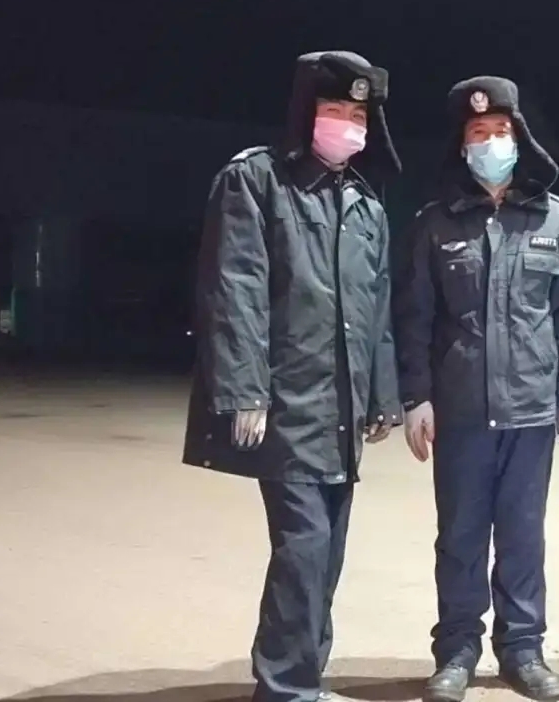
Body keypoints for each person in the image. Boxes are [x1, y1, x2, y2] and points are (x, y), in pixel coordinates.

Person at [181, 51, 402, 702]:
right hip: (286, 404)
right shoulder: (256, 181)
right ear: (306, 112)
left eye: (358, 113)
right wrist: (244, 388)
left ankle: (305, 675)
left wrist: (383, 396)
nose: (347, 123)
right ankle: (284, 686)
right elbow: (234, 288)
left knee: (326, 551)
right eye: (334, 109)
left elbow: (376, 310)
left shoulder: (365, 204)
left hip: (342, 411)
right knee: (304, 546)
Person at [393, 76, 559, 702]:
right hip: (460, 411)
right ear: (462, 145)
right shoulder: (436, 223)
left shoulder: (555, 220)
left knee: (522, 536)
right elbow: (414, 318)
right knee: (459, 537)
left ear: (520, 137)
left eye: (500, 131)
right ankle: (456, 652)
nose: (490, 143)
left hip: (531, 411)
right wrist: (415, 397)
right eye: (478, 133)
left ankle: (523, 650)